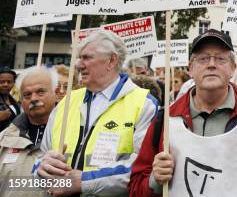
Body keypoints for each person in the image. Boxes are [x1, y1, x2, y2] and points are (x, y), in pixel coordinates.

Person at [129, 29, 237, 196]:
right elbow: (136, 187)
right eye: (203, 58)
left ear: (233, 68)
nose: (211, 64)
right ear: (191, 68)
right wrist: (154, 180)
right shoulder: (166, 119)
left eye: (220, 59)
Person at [34, 30, 158, 196]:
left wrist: (83, 182)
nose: (77, 64)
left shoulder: (144, 104)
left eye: (86, 57)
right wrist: (42, 168)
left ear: (111, 60)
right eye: (78, 58)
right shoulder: (67, 102)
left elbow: (144, 166)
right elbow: (41, 157)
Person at [0, 66, 57, 197]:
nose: (34, 98)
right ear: (21, 100)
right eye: (27, 95)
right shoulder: (4, 139)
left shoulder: (74, 133)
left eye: (41, 92)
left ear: (56, 93)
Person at [0, 67, 21, 132]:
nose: (6, 84)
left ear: (13, 83)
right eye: (1, 82)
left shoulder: (15, 102)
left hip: (11, 139)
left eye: (9, 82)